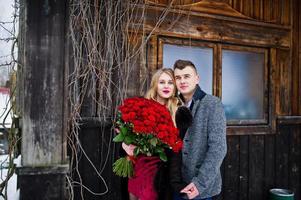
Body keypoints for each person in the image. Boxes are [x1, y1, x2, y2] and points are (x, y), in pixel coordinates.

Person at [121, 68, 182, 200]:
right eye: (162, 82)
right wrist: (125, 144)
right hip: (137, 164)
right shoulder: (142, 106)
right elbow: (127, 132)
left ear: (175, 87)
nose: (166, 86)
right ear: (155, 84)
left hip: (159, 169)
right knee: (133, 194)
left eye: (170, 82)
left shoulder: (178, 111)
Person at [172, 59, 227, 200]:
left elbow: (218, 148)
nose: (182, 81)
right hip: (176, 184)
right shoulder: (173, 104)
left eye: (187, 76)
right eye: (178, 77)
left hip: (201, 188)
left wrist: (199, 183)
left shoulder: (212, 104)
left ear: (197, 78)